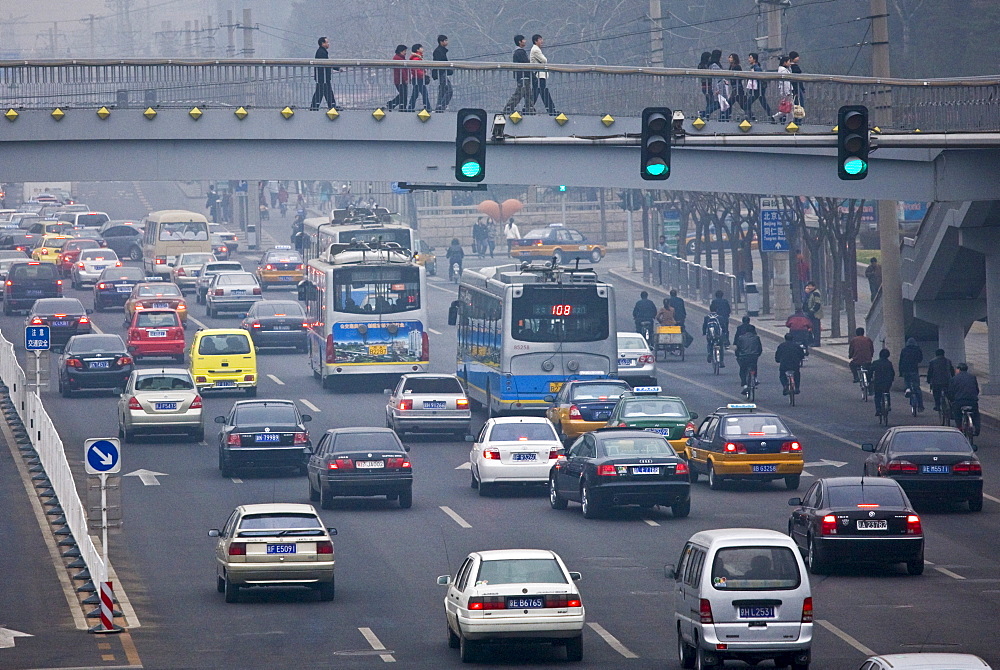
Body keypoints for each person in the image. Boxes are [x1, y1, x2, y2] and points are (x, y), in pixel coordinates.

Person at [503, 35, 534, 115]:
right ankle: (508, 108)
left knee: (527, 94)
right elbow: (526, 64)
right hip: (523, 76)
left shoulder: (518, 52)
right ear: (520, 42)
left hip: (522, 76)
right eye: (523, 40)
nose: (525, 41)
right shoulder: (520, 52)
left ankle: (529, 109)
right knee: (520, 93)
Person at [948, 363, 980, 436]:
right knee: (976, 414)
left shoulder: (954, 379)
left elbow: (950, 392)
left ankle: (960, 428)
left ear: (958, 369)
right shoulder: (972, 377)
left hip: (959, 401)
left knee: (957, 414)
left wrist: (952, 400)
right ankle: (977, 428)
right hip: (972, 401)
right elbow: (977, 390)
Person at [309, 36, 339, 111]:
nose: (328, 44)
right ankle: (331, 107)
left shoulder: (321, 51)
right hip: (323, 78)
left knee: (324, 92)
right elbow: (327, 64)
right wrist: (337, 68)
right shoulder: (321, 52)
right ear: (322, 43)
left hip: (322, 78)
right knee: (323, 92)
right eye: (327, 42)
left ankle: (330, 106)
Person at [529, 35, 557, 115]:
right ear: (535, 41)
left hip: (538, 75)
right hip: (539, 75)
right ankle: (551, 110)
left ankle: (527, 109)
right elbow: (544, 60)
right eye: (540, 39)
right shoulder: (535, 50)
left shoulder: (536, 49)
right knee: (542, 92)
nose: (542, 41)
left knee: (537, 92)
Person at [898, 337, 925, 411]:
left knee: (907, 382)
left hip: (905, 370)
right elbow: (920, 360)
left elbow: (901, 362)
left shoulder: (904, 350)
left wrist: (900, 372)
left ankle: (907, 389)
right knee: (917, 387)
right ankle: (920, 406)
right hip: (914, 370)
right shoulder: (917, 350)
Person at [735, 324, 762, 395]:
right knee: (754, 367)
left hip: (744, 357)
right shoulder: (756, 338)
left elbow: (738, 349)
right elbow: (760, 349)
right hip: (754, 357)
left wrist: (738, 356)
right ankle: (755, 379)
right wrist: (757, 355)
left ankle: (745, 385)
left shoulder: (741, 338)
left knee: (743, 370)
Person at [745, 52, 771, 121]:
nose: (749, 59)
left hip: (757, 90)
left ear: (754, 59)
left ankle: (751, 118)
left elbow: (759, 80)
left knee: (747, 104)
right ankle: (771, 116)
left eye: (750, 58)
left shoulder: (757, 68)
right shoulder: (754, 67)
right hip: (757, 90)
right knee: (764, 104)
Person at [870, 349, 896, 416]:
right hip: (887, 382)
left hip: (878, 382)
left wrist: (869, 379)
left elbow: (870, 371)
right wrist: (891, 380)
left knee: (877, 395)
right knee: (887, 392)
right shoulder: (889, 363)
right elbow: (893, 373)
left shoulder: (876, 363)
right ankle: (888, 406)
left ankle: (878, 408)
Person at [432, 35, 453, 112]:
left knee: (442, 91)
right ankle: (441, 106)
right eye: (445, 40)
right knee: (449, 90)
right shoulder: (438, 51)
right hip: (441, 73)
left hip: (442, 73)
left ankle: (439, 106)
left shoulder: (441, 51)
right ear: (441, 42)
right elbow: (440, 63)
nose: (447, 42)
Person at [407, 44, 430, 112]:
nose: (422, 49)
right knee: (424, 93)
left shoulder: (417, 57)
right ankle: (427, 107)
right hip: (419, 78)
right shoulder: (417, 58)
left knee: (415, 94)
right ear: (417, 49)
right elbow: (416, 69)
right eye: (421, 48)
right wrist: (423, 74)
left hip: (416, 78)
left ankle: (410, 107)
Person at [385, 44, 409, 111]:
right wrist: (405, 79)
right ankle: (401, 107)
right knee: (403, 95)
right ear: (400, 51)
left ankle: (393, 104)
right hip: (400, 80)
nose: (405, 52)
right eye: (404, 51)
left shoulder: (399, 58)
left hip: (400, 80)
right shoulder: (398, 59)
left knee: (403, 94)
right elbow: (401, 71)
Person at [726, 53, 746, 121]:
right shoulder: (731, 66)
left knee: (729, 103)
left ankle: (726, 116)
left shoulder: (737, 67)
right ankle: (750, 116)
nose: (729, 59)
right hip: (734, 87)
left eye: (731, 57)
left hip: (738, 88)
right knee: (742, 104)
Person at [773, 55, 793, 124]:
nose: (790, 63)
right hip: (786, 91)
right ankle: (788, 121)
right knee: (789, 107)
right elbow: (786, 82)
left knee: (787, 106)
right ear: (784, 62)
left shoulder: (782, 70)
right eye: (789, 62)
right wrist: (788, 92)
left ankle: (778, 117)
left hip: (784, 90)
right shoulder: (783, 71)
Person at [802, 281, 822, 347]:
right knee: (813, 328)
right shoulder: (812, 293)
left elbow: (817, 304)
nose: (808, 287)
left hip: (815, 314)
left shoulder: (816, 293)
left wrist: (812, 311)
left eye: (810, 286)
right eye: (808, 286)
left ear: (814, 286)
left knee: (816, 329)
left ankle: (817, 342)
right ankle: (814, 341)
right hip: (812, 314)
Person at [788, 51, 805, 115]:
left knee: (795, 103)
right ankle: (798, 118)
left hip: (795, 87)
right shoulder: (794, 67)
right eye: (797, 57)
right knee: (800, 104)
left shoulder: (790, 67)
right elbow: (797, 79)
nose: (798, 58)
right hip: (797, 87)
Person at [697, 51, 713, 118]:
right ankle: (704, 114)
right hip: (708, 85)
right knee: (712, 102)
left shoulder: (700, 65)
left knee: (709, 102)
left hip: (703, 86)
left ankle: (706, 114)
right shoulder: (707, 65)